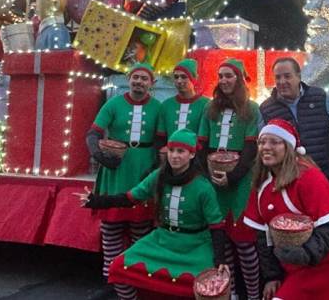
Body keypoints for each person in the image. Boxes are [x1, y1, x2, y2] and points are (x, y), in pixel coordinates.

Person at [77, 128, 228, 299]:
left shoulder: (203, 187)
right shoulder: (159, 175)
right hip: (162, 240)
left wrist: (219, 260)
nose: (174, 156)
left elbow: (216, 226)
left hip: (195, 245)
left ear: (192, 154)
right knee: (118, 267)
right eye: (171, 150)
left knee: (205, 286)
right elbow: (130, 198)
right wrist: (95, 200)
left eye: (181, 151)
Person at [243, 119, 329, 300]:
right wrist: (272, 276)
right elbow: (263, 236)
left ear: (289, 147)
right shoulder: (261, 185)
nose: (265, 147)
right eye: (261, 142)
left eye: (274, 142)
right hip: (295, 267)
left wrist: (305, 253)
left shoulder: (309, 177)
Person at [84, 62, 161, 284]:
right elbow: (93, 133)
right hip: (115, 170)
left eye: (144, 78)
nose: (139, 82)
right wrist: (98, 154)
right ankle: (111, 276)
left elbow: (161, 140)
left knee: (140, 228)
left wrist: (155, 167)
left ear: (152, 83)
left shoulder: (158, 107)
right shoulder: (114, 103)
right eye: (135, 77)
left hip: (142, 171)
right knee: (111, 227)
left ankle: (134, 275)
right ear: (129, 79)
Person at [198, 58, 261, 300]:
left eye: (229, 75)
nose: (224, 80)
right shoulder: (210, 108)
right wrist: (208, 176)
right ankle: (230, 292)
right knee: (221, 244)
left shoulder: (252, 108)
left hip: (240, 183)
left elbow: (251, 149)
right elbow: (202, 145)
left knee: (245, 244)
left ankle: (253, 295)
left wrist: (232, 177)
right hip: (214, 182)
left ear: (240, 79)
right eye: (221, 76)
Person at [259, 57, 329, 184]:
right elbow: (261, 145)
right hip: (286, 181)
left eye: (287, 76)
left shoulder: (319, 97)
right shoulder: (266, 109)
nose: (282, 81)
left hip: (321, 176)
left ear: (298, 77)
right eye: (278, 77)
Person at [157, 58, 209, 141]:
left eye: (184, 77)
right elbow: (160, 137)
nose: (179, 81)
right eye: (176, 77)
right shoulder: (166, 105)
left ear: (194, 78)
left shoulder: (206, 104)